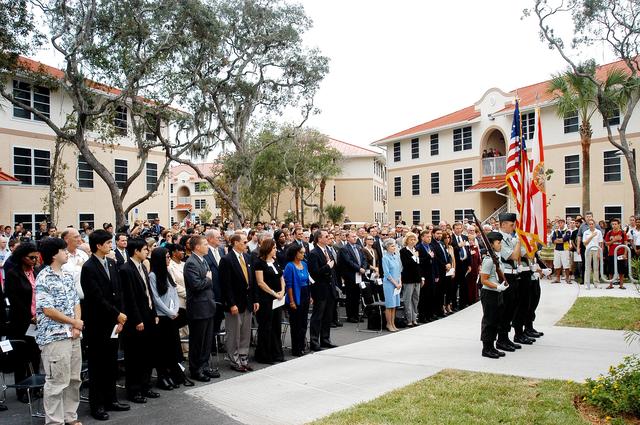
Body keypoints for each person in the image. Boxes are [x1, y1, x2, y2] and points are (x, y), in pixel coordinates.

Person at [80, 229, 129, 420]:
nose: (111, 246)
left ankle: (112, 399)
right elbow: (96, 297)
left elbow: (119, 291)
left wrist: (121, 316)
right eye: (108, 243)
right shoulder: (89, 267)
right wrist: (117, 315)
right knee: (97, 365)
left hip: (115, 322)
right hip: (98, 323)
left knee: (111, 364)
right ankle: (97, 404)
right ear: (98, 245)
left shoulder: (111, 263)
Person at [35, 237, 83, 425]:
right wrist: (73, 322)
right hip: (54, 337)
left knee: (73, 379)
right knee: (56, 382)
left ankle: (70, 416)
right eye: (63, 250)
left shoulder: (67, 275)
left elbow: (75, 301)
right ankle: (55, 421)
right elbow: (47, 310)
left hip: (73, 334)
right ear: (54, 254)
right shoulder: (43, 277)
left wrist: (76, 323)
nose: (67, 253)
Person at [119, 238, 160, 404]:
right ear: (135, 251)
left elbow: (148, 292)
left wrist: (155, 312)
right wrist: (137, 319)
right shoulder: (126, 269)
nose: (147, 251)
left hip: (148, 315)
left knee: (147, 354)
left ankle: (145, 385)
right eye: (144, 249)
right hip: (137, 319)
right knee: (135, 357)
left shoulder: (143, 266)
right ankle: (134, 390)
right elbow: (129, 298)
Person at [4, 242, 41, 403]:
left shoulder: (37, 272)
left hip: (38, 319)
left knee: (35, 354)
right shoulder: (13, 274)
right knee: (21, 356)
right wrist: (30, 316)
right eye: (31, 257)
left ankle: (36, 386)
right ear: (22, 257)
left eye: (36, 257)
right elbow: (15, 299)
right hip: (21, 320)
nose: (34, 260)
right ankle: (22, 390)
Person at [219, 233, 259, 372]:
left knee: (245, 333)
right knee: (234, 333)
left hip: (247, 302)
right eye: (243, 241)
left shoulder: (247, 257)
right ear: (235, 243)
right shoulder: (226, 260)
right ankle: (234, 360)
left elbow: (252, 281)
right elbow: (226, 285)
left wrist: (255, 300)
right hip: (235, 304)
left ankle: (243, 358)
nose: (246, 244)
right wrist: (231, 304)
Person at [184, 235, 218, 381]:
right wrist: (208, 279)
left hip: (208, 305)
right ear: (197, 247)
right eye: (204, 244)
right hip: (198, 307)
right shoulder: (191, 263)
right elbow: (196, 285)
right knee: (198, 341)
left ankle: (204, 366)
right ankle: (196, 369)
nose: (207, 246)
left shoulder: (203, 260)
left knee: (206, 341)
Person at [148, 247, 183, 391]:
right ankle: (162, 377)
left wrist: (175, 310)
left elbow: (174, 292)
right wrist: (169, 312)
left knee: (172, 348)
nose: (169, 259)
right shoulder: (152, 276)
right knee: (162, 349)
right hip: (162, 317)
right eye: (166, 257)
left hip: (172, 316)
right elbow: (156, 299)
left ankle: (172, 374)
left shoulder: (168, 273)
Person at [253, 239, 286, 364]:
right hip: (266, 299)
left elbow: (281, 277)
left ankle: (276, 353)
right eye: (273, 248)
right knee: (266, 326)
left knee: (276, 326)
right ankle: (264, 355)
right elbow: (260, 282)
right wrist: (273, 293)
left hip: (278, 298)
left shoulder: (275, 261)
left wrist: (282, 291)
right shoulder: (259, 263)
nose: (275, 250)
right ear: (267, 249)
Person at [497, 213, 524, 352]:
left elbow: (520, 255)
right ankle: (501, 339)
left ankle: (505, 337)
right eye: (511, 224)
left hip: (513, 275)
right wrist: (518, 241)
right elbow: (513, 255)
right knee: (505, 309)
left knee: (511, 308)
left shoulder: (510, 238)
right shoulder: (499, 239)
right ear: (503, 224)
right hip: (505, 277)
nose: (514, 227)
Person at [307, 230, 338, 351]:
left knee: (328, 315)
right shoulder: (314, 253)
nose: (328, 238)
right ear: (319, 239)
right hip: (320, 288)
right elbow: (314, 272)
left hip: (329, 287)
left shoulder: (328, 251)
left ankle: (325, 339)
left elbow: (332, 271)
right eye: (326, 236)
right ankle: (314, 341)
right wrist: (327, 267)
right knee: (318, 316)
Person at [479, 231, 507, 359]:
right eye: (498, 243)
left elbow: (499, 274)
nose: (500, 245)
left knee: (496, 320)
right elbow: (483, 280)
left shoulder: (497, 258)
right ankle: (486, 348)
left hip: (497, 293)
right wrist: (497, 286)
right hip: (489, 293)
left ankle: (492, 346)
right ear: (491, 244)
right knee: (489, 321)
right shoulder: (489, 260)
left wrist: (504, 283)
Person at [283, 244, 310, 356]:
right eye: (301, 252)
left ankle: (302, 346)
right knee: (296, 324)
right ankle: (296, 349)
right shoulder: (290, 266)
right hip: (295, 295)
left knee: (304, 322)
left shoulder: (304, 264)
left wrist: (310, 296)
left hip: (305, 294)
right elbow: (288, 285)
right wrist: (292, 301)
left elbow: (308, 280)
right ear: (295, 254)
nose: (303, 254)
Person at [337, 231, 368, 323]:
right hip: (350, 275)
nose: (355, 238)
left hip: (359, 275)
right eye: (353, 236)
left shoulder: (359, 247)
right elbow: (348, 261)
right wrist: (359, 269)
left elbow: (364, 259)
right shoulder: (344, 249)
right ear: (347, 238)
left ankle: (356, 314)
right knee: (350, 296)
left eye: (355, 236)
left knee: (357, 296)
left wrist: (363, 268)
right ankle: (350, 316)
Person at [400, 232, 421, 327]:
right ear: (407, 240)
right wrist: (414, 257)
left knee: (415, 299)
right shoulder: (403, 251)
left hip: (417, 278)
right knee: (408, 299)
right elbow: (407, 264)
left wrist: (422, 277)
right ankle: (409, 319)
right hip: (408, 278)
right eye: (411, 239)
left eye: (414, 239)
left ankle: (414, 318)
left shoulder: (416, 250)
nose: (413, 241)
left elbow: (419, 266)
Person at [61, 228, 89, 299]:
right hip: (69, 300)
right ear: (66, 239)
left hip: (87, 299)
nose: (79, 239)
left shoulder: (83, 255)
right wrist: (79, 268)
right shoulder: (60, 257)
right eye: (76, 237)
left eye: (79, 236)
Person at [416, 230, 436, 322]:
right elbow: (418, 261)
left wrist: (436, 274)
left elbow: (434, 261)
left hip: (431, 274)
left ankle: (430, 315)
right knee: (423, 297)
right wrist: (428, 256)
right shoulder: (418, 247)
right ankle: (422, 316)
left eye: (430, 237)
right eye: (427, 237)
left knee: (431, 295)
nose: (429, 238)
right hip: (424, 274)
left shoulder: (431, 246)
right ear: (422, 237)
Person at [382, 239, 401, 332]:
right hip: (389, 284)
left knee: (394, 305)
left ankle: (393, 323)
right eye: (392, 246)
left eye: (394, 246)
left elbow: (399, 271)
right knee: (389, 305)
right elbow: (387, 274)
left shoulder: (396, 256)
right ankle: (388, 324)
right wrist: (395, 283)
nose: (394, 248)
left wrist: (399, 282)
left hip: (397, 284)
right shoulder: (385, 258)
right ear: (387, 248)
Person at [604, 218, 628, 289]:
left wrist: (625, 254)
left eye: (615, 224)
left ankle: (621, 285)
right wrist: (614, 240)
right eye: (613, 224)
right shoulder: (609, 233)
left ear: (619, 225)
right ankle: (611, 284)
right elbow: (606, 244)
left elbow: (625, 244)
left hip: (621, 254)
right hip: (611, 254)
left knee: (621, 270)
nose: (614, 226)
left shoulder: (623, 233)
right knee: (611, 270)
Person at [451, 222, 471, 309]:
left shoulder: (465, 237)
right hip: (456, 265)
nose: (459, 230)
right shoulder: (451, 238)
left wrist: (469, 264)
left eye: (460, 228)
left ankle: (463, 303)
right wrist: (458, 246)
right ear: (454, 229)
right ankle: (454, 305)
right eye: (457, 228)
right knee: (454, 286)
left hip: (464, 264)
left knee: (464, 285)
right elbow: (451, 251)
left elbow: (468, 251)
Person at [582, 219, 603, 285]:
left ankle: (596, 283)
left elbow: (600, 243)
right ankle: (587, 283)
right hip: (588, 250)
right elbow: (585, 243)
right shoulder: (586, 232)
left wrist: (599, 253)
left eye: (592, 224)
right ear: (588, 225)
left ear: (594, 224)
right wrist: (591, 236)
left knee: (596, 267)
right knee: (587, 267)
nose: (591, 225)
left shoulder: (598, 232)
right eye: (590, 224)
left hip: (596, 250)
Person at [551, 218, 572, 283]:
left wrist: (559, 240)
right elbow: (553, 240)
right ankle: (557, 278)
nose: (560, 224)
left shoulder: (567, 231)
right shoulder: (555, 231)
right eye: (559, 223)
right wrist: (560, 240)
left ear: (564, 223)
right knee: (557, 264)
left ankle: (567, 278)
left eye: (561, 223)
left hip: (564, 250)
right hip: (557, 250)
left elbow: (565, 239)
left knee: (566, 264)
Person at [465, 226, 482, 305]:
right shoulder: (466, 247)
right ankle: (470, 299)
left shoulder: (475, 246)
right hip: (469, 267)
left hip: (475, 267)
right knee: (469, 284)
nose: (471, 241)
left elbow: (478, 256)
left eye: (472, 240)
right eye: (469, 240)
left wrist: (479, 265)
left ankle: (475, 297)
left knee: (475, 283)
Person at [442, 232, 457, 314]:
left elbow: (453, 259)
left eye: (448, 237)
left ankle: (448, 305)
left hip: (451, 271)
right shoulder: (442, 247)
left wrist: (453, 270)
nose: (447, 239)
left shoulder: (451, 247)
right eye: (445, 238)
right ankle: (443, 306)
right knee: (444, 290)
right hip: (444, 271)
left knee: (450, 289)